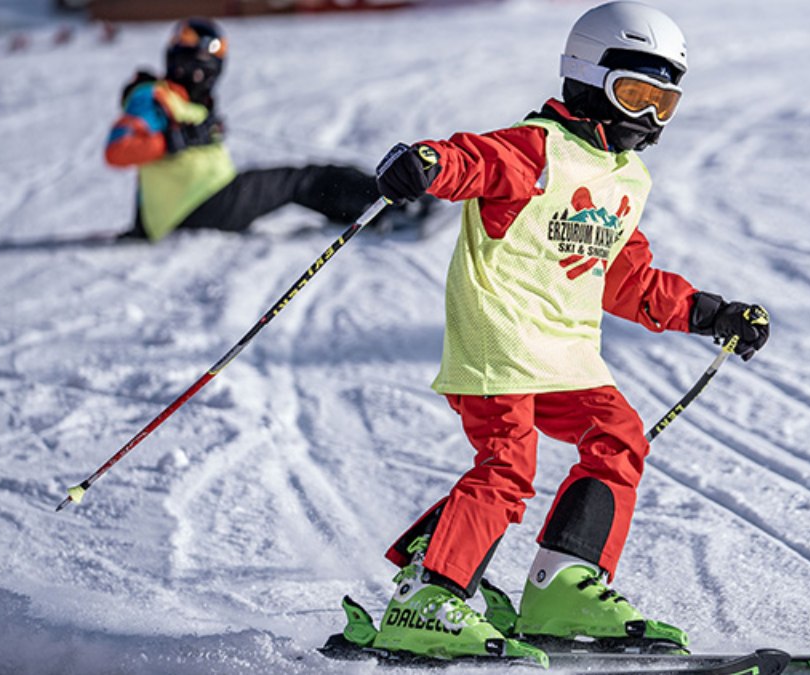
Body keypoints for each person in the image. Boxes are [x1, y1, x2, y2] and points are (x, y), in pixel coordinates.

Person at [364, 0, 770, 665]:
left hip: (566, 354)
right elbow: (472, 160)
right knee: (509, 464)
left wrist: (710, 312)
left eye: (663, 103)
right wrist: (426, 163)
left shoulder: (626, 177)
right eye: (635, 94)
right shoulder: (538, 149)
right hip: (497, 342)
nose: (647, 115)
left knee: (619, 435)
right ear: (588, 74)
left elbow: (626, 278)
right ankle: (429, 600)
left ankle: (564, 584)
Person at [104, 17, 422, 242]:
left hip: (201, 201)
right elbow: (117, 150)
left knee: (301, 180)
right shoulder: (152, 95)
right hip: (203, 203)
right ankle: (391, 205)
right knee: (304, 180)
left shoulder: (180, 99)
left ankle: (377, 204)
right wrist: (178, 139)